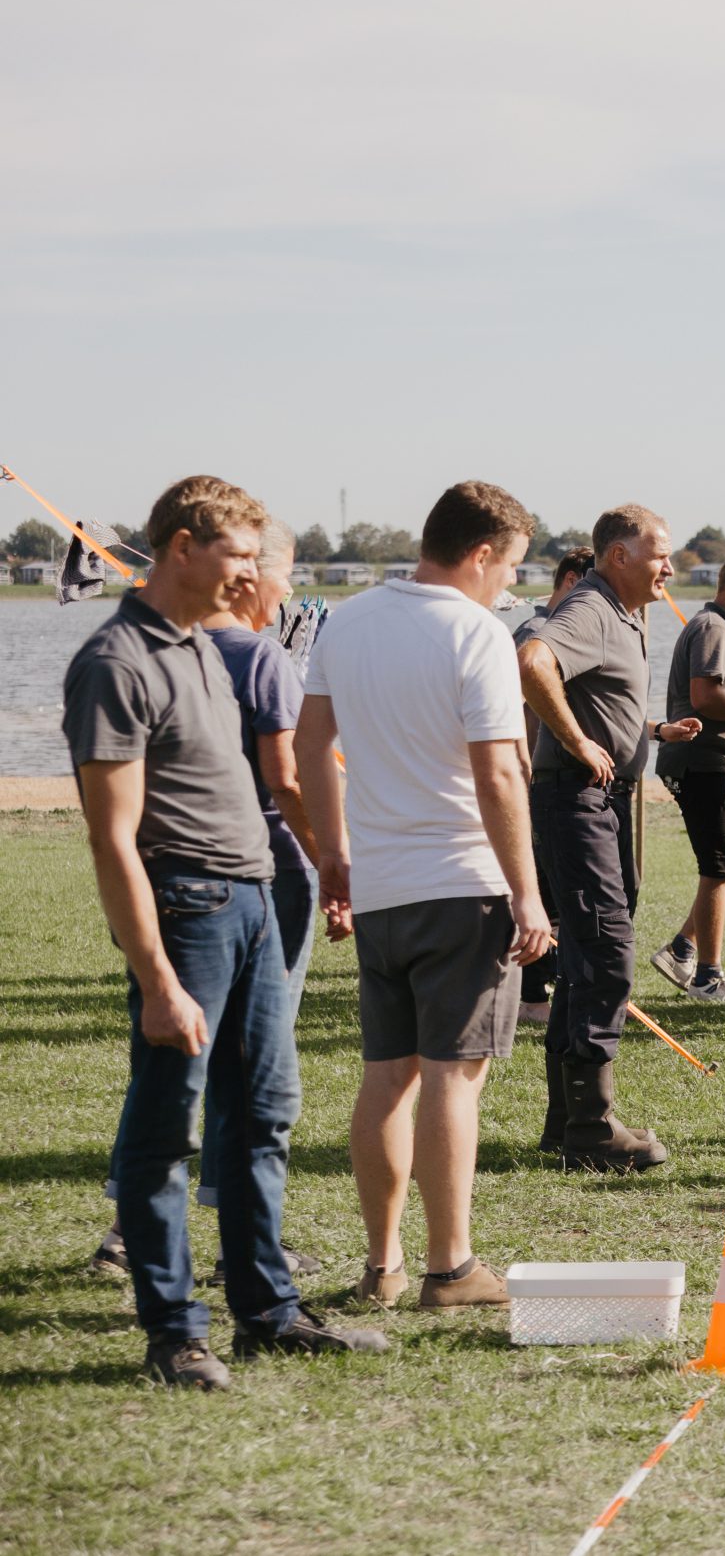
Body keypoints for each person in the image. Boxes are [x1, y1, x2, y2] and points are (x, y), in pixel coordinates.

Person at [65, 475, 387, 1389]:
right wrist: (158, 976)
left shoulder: (207, 647)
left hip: (253, 899)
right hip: (188, 908)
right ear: (181, 548)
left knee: (264, 1112)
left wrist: (324, 860)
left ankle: (269, 1312)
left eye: (256, 556)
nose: (253, 574)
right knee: (168, 1119)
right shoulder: (117, 661)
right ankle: (174, 1330)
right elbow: (112, 837)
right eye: (238, 554)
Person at [299, 481, 551, 1311]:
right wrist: (529, 893)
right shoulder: (476, 631)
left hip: (379, 887)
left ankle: (383, 1265)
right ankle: (451, 1268)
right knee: (455, 1076)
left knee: (387, 1075)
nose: (509, 586)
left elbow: (309, 746)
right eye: (509, 567)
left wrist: (332, 855)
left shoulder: (350, 618)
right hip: (462, 885)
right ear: (480, 554)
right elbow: (500, 774)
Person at [91, 518, 330, 1290]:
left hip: (186, 878)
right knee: (247, 1073)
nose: (284, 590)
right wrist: (337, 857)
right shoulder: (258, 656)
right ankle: (229, 1258)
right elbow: (289, 778)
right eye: (279, 573)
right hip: (260, 874)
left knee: (175, 1070)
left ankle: (129, 1234)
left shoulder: (180, 651)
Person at [519, 505, 702, 1172]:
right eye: (659, 554)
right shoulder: (593, 606)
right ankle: (592, 1126)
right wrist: (572, 740)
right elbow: (533, 659)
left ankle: (566, 1121)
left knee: (587, 955)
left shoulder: (625, 614)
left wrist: (648, 733)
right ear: (618, 555)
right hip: (577, 796)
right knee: (607, 950)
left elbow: (600, 697)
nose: (670, 568)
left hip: (604, 798)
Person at [647, 552, 725, 1004]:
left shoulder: (724, 630)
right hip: (701, 763)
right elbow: (704, 695)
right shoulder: (712, 628)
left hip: (720, 764)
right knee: (718, 866)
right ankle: (707, 977)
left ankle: (683, 948)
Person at [510, 547, 592, 1026]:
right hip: (535, 780)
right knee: (541, 889)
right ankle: (533, 995)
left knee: (555, 890)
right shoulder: (537, 634)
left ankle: (551, 988)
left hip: (552, 779)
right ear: (570, 581)